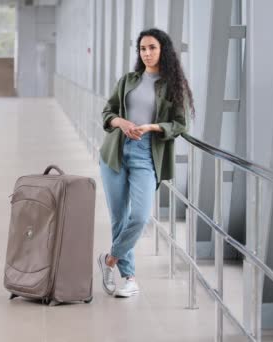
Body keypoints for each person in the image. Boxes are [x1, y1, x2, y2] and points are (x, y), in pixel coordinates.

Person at [97, 28, 194, 298]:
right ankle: (129, 278)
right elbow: (108, 112)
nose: (147, 53)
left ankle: (109, 260)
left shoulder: (173, 86)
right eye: (142, 49)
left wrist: (152, 126)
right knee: (119, 218)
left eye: (152, 47)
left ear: (163, 50)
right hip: (115, 152)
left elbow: (179, 125)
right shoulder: (129, 80)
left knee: (139, 216)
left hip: (146, 154)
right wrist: (122, 122)